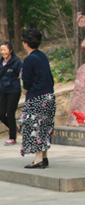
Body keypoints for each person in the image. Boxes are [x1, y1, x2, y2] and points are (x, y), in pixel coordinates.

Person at [19, 29, 55, 169]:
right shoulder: (42, 55)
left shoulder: (29, 59)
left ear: (26, 43)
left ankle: (38, 159)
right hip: (49, 96)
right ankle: (44, 157)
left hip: (36, 97)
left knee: (35, 127)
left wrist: (25, 90)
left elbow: (27, 80)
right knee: (45, 126)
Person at [0, 41, 22, 146]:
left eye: (5, 50)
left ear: (10, 50)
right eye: (1, 50)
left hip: (14, 90)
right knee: (1, 113)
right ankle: (13, 127)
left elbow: (23, 74)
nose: (3, 52)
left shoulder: (17, 62)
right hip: (2, 90)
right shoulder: (0, 62)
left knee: (10, 113)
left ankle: (12, 137)